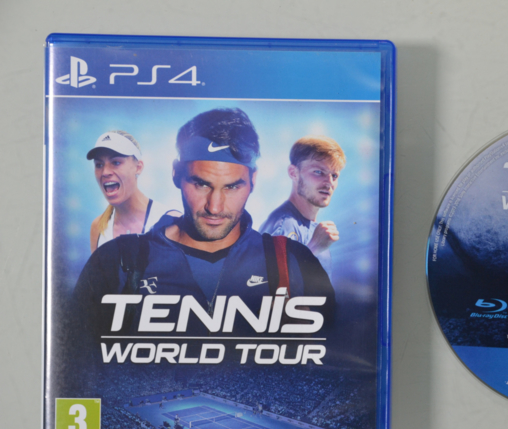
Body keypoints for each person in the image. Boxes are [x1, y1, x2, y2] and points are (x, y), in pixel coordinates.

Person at [69, 108, 335, 347]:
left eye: (232, 186)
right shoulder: (114, 262)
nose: (215, 207)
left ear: (253, 180)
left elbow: (334, 362)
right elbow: (74, 365)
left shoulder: (293, 261)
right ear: (176, 173)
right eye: (201, 184)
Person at [259, 136, 345, 273]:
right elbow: (268, 281)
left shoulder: (316, 231)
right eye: (318, 172)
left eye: (334, 176)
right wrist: (314, 247)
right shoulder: (284, 225)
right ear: (293, 173)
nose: (329, 183)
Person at [86, 130, 180, 252]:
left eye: (116, 162)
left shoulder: (171, 221)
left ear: (138, 167)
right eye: (99, 165)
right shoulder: (98, 227)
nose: (105, 172)